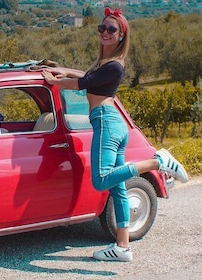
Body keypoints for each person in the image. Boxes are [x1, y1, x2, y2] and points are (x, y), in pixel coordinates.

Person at [42, 7, 188, 262]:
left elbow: (82, 84)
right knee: (118, 189)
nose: (105, 32)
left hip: (106, 123)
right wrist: (64, 70)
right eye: (102, 28)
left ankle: (158, 162)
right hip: (111, 123)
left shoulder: (116, 66)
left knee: (101, 180)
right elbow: (88, 76)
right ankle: (122, 247)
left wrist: (55, 82)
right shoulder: (105, 62)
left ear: (121, 35)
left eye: (112, 29)